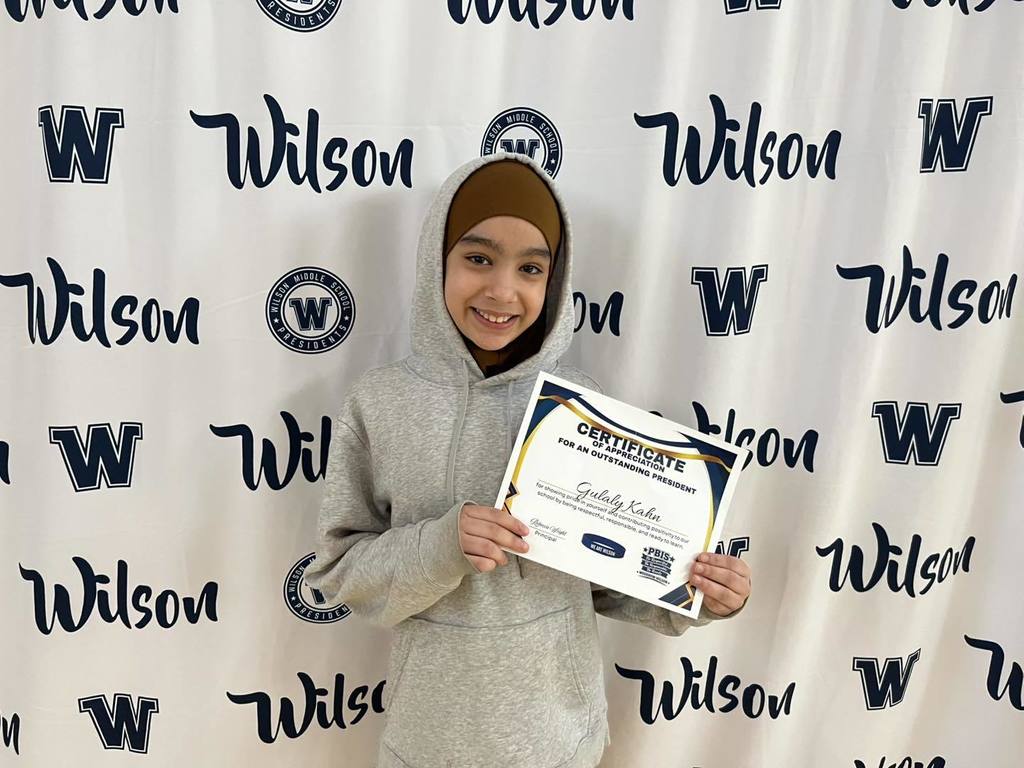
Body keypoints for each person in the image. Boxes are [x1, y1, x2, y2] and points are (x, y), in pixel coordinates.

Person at [305, 152, 751, 768]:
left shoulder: (580, 409)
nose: (502, 290)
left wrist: (696, 592)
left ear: (555, 282)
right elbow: (341, 572)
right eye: (478, 258)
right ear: (438, 259)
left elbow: (608, 578)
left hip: (560, 744)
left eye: (531, 268)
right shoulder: (379, 403)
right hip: (429, 743)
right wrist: (441, 545)